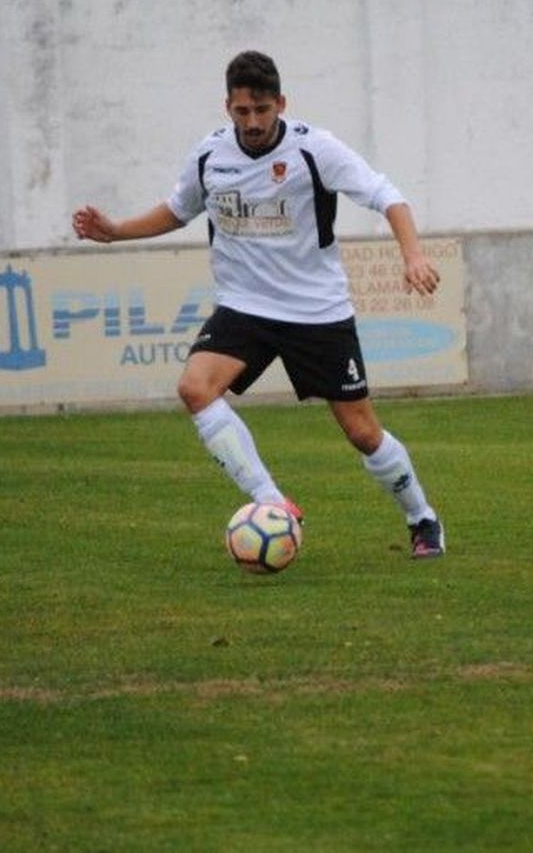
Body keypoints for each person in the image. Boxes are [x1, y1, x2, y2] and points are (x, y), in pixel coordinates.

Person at [71, 50, 446, 558]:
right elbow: (177, 210)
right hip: (245, 306)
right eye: (242, 112)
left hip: (317, 310)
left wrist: (413, 255)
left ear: (280, 105)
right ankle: (271, 501)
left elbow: (387, 196)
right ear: (228, 107)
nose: (252, 122)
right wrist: (114, 232)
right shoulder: (210, 155)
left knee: (361, 431)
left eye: (262, 110)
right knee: (195, 387)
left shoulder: (316, 150)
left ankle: (422, 518)